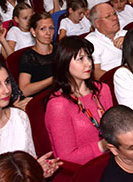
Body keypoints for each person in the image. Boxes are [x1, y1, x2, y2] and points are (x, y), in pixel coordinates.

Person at [45, 36, 113, 165]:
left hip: (112, 160)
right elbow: (66, 158)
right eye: (80, 59)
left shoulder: (102, 90)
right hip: (82, 170)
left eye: (89, 57)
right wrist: (102, 146)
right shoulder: (58, 105)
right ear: (64, 63)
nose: (88, 64)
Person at [19, 12, 57, 96]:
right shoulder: (28, 56)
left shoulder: (59, 49)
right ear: (33, 31)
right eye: (43, 29)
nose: (48, 33)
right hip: (41, 98)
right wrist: (52, 80)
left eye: (51, 28)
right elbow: (24, 90)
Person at [87, 2, 128, 79]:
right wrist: (121, 80)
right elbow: (96, 73)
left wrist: (129, 41)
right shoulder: (91, 42)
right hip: (112, 81)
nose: (115, 18)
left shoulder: (125, 34)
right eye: (108, 16)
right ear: (97, 23)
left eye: (114, 14)